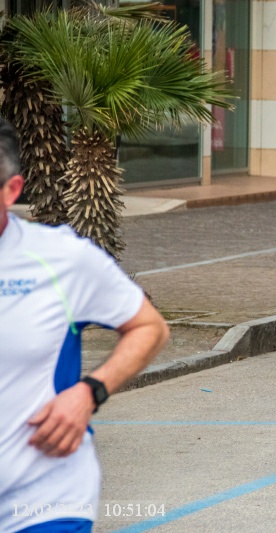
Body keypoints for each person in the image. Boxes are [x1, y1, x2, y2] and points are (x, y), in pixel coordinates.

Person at [0, 120, 170, 532]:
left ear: (11, 190)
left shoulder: (60, 259)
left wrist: (88, 393)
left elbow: (149, 327)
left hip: (42, 502)